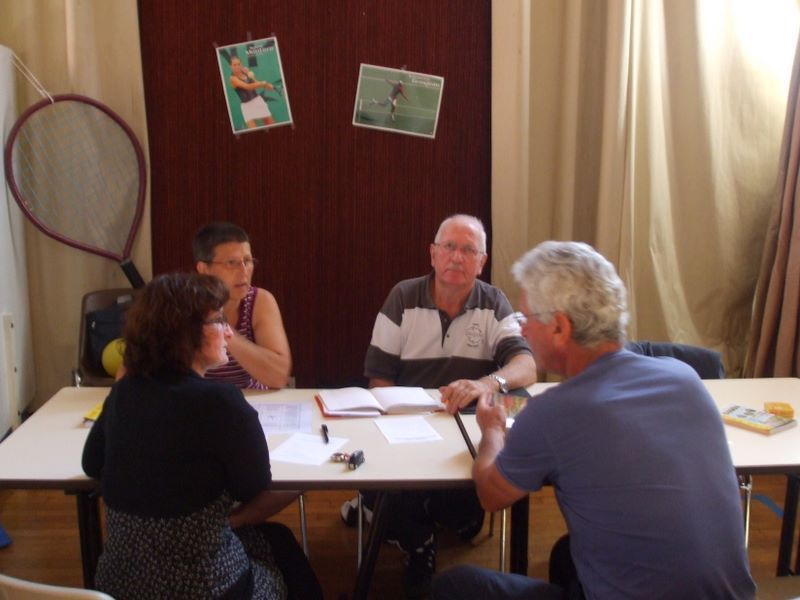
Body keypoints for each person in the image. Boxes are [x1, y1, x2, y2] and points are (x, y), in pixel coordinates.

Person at [432, 241, 756, 600]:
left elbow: (490, 495)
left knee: (455, 586)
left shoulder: (553, 411)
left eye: (526, 318)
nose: (522, 331)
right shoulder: (685, 378)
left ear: (559, 328)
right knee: (567, 554)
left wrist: (492, 430)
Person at [82, 273, 322, 599]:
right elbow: (252, 485)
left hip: (120, 588)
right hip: (206, 588)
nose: (228, 332)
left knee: (274, 539)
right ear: (185, 334)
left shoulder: (125, 392)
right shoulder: (221, 402)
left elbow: (92, 463)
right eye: (219, 321)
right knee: (284, 554)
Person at [342, 214, 538, 598]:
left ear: (481, 262)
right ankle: (418, 544)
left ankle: (384, 512)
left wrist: (486, 383)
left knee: (463, 516)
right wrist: (397, 426)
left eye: (468, 250)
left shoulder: (493, 301)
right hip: (410, 427)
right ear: (433, 254)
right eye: (448, 247)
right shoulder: (403, 297)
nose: (456, 257)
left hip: (465, 432)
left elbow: (527, 365)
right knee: (393, 484)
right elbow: (379, 381)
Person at [194, 222, 291, 390]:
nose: (244, 271)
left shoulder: (259, 300)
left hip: (250, 398)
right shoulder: (184, 304)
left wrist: (221, 327)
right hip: (200, 399)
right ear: (203, 269)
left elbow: (278, 376)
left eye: (247, 261)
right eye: (231, 263)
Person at [229, 55, 276, 129]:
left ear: (241, 64)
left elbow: (256, 82)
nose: (237, 66)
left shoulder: (247, 73)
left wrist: (267, 85)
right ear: (230, 66)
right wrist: (262, 83)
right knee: (252, 130)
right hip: (246, 107)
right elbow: (247, 87)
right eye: (234, 65)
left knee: (271, 125)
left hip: (258, 101)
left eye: (239, 64)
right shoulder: (232, 79)